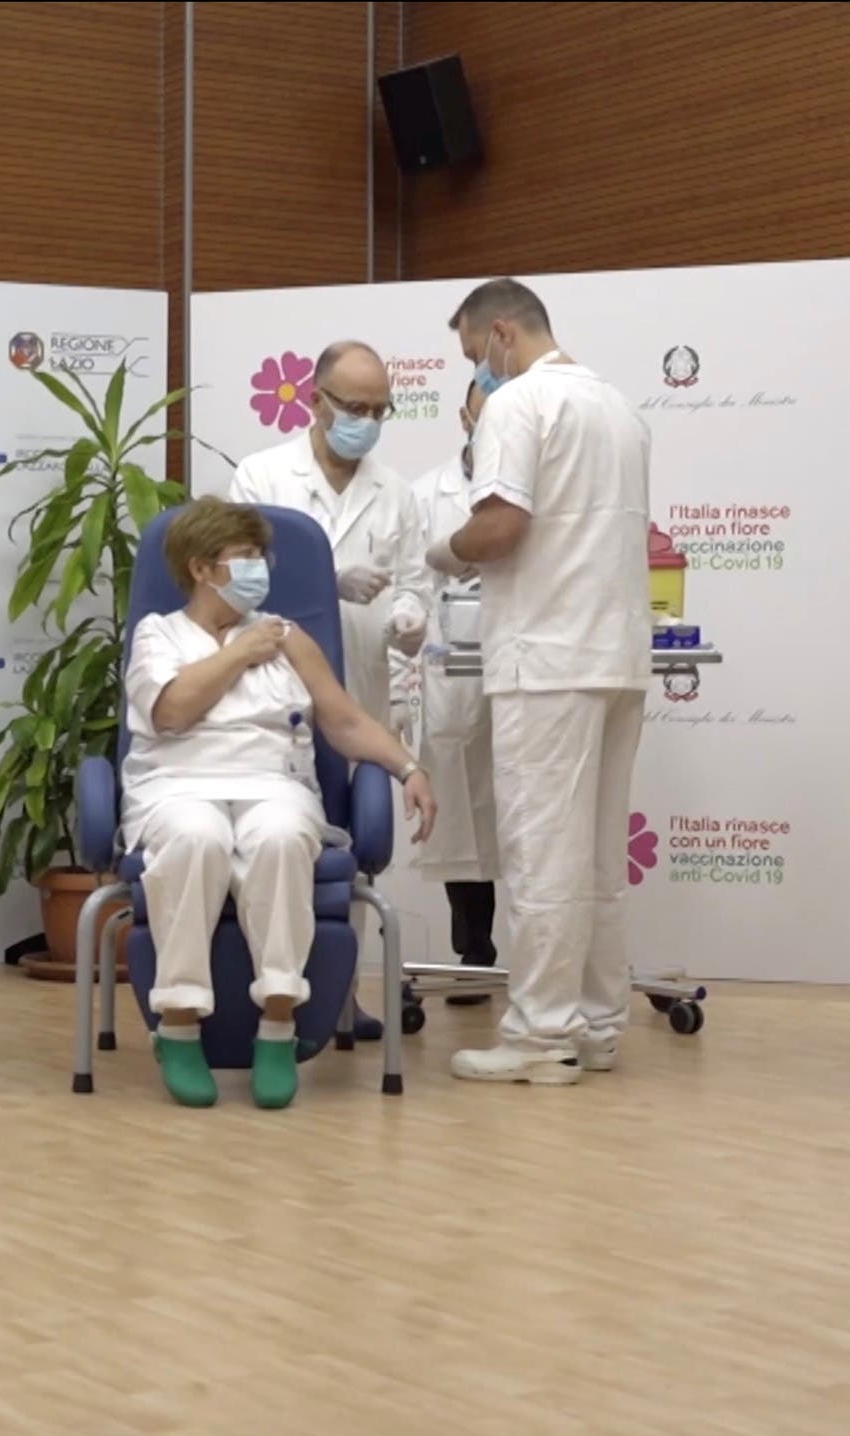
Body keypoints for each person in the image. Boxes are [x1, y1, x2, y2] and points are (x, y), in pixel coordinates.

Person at [124, 498, 438, 1110]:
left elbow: (344, 722)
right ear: (201, 568)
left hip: (274, 783)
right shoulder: (158, 634)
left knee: (283, 835)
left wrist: (408, 767)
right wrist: (239, 652)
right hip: (177, 786)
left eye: (262, 556)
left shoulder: (290, 638)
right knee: (196, 838)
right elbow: (171, 710)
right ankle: (181, 1025)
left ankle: (278, 1023)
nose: (261, 568)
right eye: (245, 557)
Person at [428, 279, 649, 1086]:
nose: (476, 375)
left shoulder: (517, 406)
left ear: (501, 335)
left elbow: (501, 526)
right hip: (618, 654)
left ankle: (538, 1037)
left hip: (548, 659)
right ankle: (595, 1026)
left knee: (542, 855)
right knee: (594, 859)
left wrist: (441, 548)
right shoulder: (619, 408)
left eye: (473, 356)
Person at [228, 340, 427, 1037]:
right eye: (354, 408)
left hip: (358, 690)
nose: (366, 423)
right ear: (316, 402)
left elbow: (413, 583)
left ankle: (340, 1000)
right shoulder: (261, 475)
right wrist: (325, 581)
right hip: (271, 690)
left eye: (380, 411)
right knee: (274, 838)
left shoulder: (396, 492)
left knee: (352, 843)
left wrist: (409, 620)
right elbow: (234, 583)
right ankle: (263, 996)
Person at [412, 380, 500, 1005]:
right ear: (463, 415)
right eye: (485, 408)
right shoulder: (424, 495)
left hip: (531, 669)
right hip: (451, 674)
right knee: (463, 814)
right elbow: (410, 591)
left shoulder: (543, 490)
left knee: (529, 813)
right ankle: (475, 953)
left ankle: (553, 959)